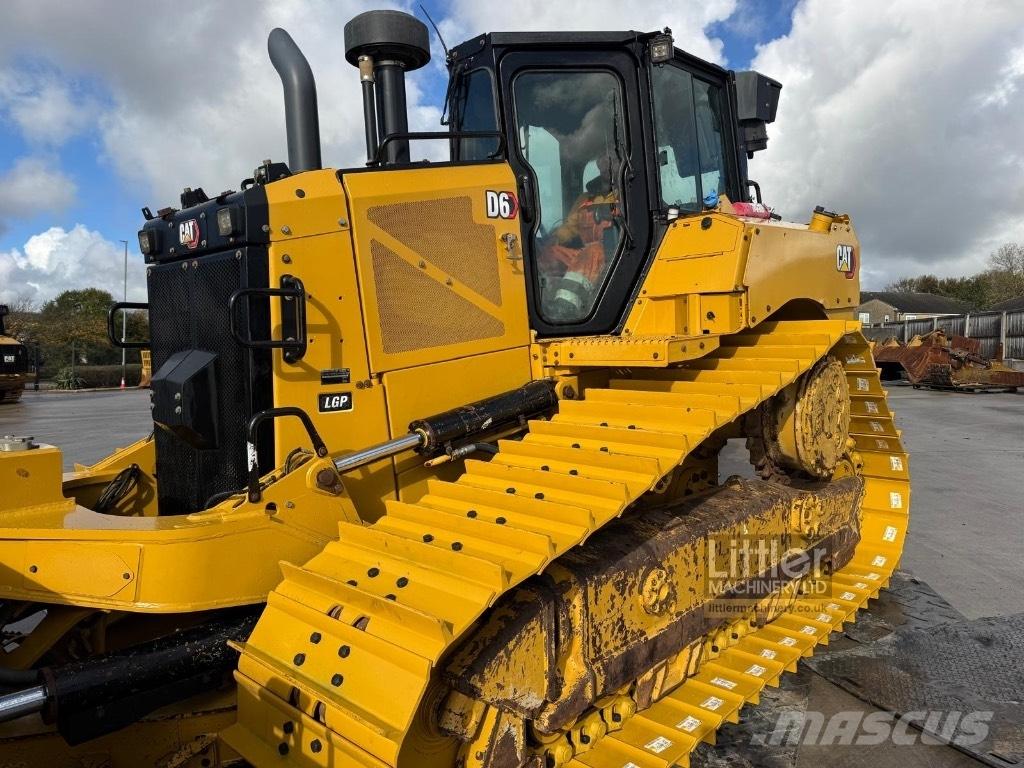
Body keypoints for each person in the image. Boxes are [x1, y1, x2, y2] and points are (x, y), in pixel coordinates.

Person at [540, 155, 621, 322]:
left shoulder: (630, 192)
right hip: (586, 254)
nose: (605, 163)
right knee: (552, 252)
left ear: (622, 162)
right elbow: (570, 227)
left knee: (592, 252)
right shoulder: (586, 198)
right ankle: (543, 302)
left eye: (611, 158)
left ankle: (565, 306)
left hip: (616, 255)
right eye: (602, 158)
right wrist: (552, 241)